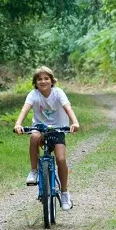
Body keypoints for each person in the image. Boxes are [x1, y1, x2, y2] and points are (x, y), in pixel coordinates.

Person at [14, 66, 80, 210]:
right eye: (39, 79)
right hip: (40, 128)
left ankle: (64, 193)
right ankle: (34, 171)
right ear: (35, 82)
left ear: (52, 81)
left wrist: (74, 122)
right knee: (33, 138)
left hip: (58, 129)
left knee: (61, 159)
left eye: (46, 78)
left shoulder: (58, 93)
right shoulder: (33, 94)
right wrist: (18, 124)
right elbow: (25, 109)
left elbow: (68, 107)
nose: (43, 81)